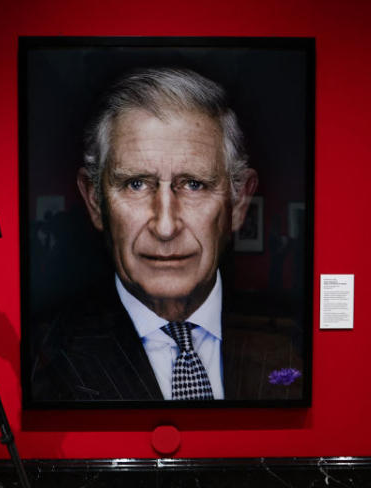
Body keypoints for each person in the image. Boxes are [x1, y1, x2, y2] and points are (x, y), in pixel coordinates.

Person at [29, 67, 303, 402]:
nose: (165, 227)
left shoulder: (291, 340)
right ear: (95, 200)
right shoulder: (47, 355)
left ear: (240, 201)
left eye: (193, 184)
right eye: (136, 184)